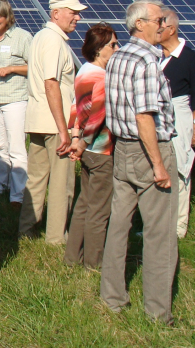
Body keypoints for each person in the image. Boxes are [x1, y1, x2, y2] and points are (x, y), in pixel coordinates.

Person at [101, 0, 178, 325]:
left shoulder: (118, 57)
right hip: (150, 151)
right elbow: (144, 116)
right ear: (140, 25)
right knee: (159, 234)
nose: (164, 25)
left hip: (123, 151)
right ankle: (159, 312)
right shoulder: (147, 61)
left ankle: (112, 297)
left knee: (119, 226)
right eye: (159, 20)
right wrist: (159, 165)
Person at [18, 0, 85, 244]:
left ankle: (26, 229)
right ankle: (56, 237)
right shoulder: (54, 41)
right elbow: (51, 84)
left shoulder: (41, 37)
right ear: (56, 13)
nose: (77, 17)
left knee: (36, 178)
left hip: (37, 119)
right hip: (55, 123)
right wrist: (64, 130)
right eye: (73, 12)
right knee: (61, 182)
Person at [64, 23, 119, 269]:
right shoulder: (103, 77)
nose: (118, 48)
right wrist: (84, 142)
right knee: (99, 209)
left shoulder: (83, 71)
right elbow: (97, 115)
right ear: (99, 49)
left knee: (84, 203)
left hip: (85, 149)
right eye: (113, 45)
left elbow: (76, 108)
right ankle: (94, 263)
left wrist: (75, 138)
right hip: (101, 149)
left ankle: (72, 257)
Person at [160, 6, 195, 238]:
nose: (157, 30)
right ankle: (160, 222)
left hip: (180, 115)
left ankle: (178, 226)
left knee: (180, 167)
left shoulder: (189, 57)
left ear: (172, 29)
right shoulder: (157, 56)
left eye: (161, 26)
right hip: (159, 116)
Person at [0, 0, 33, 209]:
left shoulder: (22, 37)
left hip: (15, 99)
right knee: (0, 145)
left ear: (7, 16)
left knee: (17, 147)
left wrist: (12, 68)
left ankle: (18, 195)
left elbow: (34, 67)